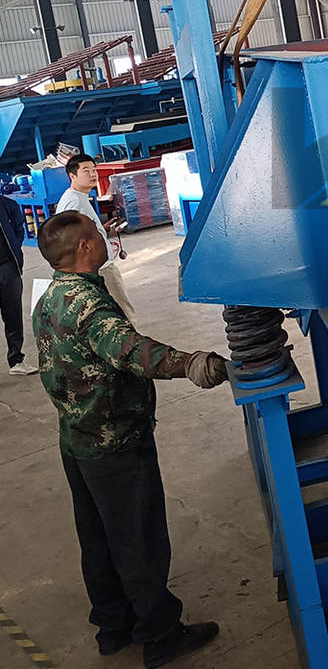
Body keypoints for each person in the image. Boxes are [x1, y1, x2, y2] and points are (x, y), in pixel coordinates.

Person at [34, 211, 228, 667]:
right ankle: (161, 635)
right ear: (84, 246)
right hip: (115, 442)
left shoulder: (49, 297)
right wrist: (191, 363)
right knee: (137, 540)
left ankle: (113, 626)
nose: (104, 236)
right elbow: (132, 351)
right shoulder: (88, 305)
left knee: (97, 537)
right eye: (97, 233)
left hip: (77, 438)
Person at [56, 153, 136, 323]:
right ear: (72, 176)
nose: (93, 174)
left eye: (94, 170)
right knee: (122, 313)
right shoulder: (74, 202)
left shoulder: (79, 198)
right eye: (86, 171)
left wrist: (102, 231)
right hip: (99, 269)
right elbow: (69, 241)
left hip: (95, 267)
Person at [0, 191, 35, 375]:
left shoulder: (8, 206)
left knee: (13, 315)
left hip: (8, 267)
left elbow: (18, 232)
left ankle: (16, 361)